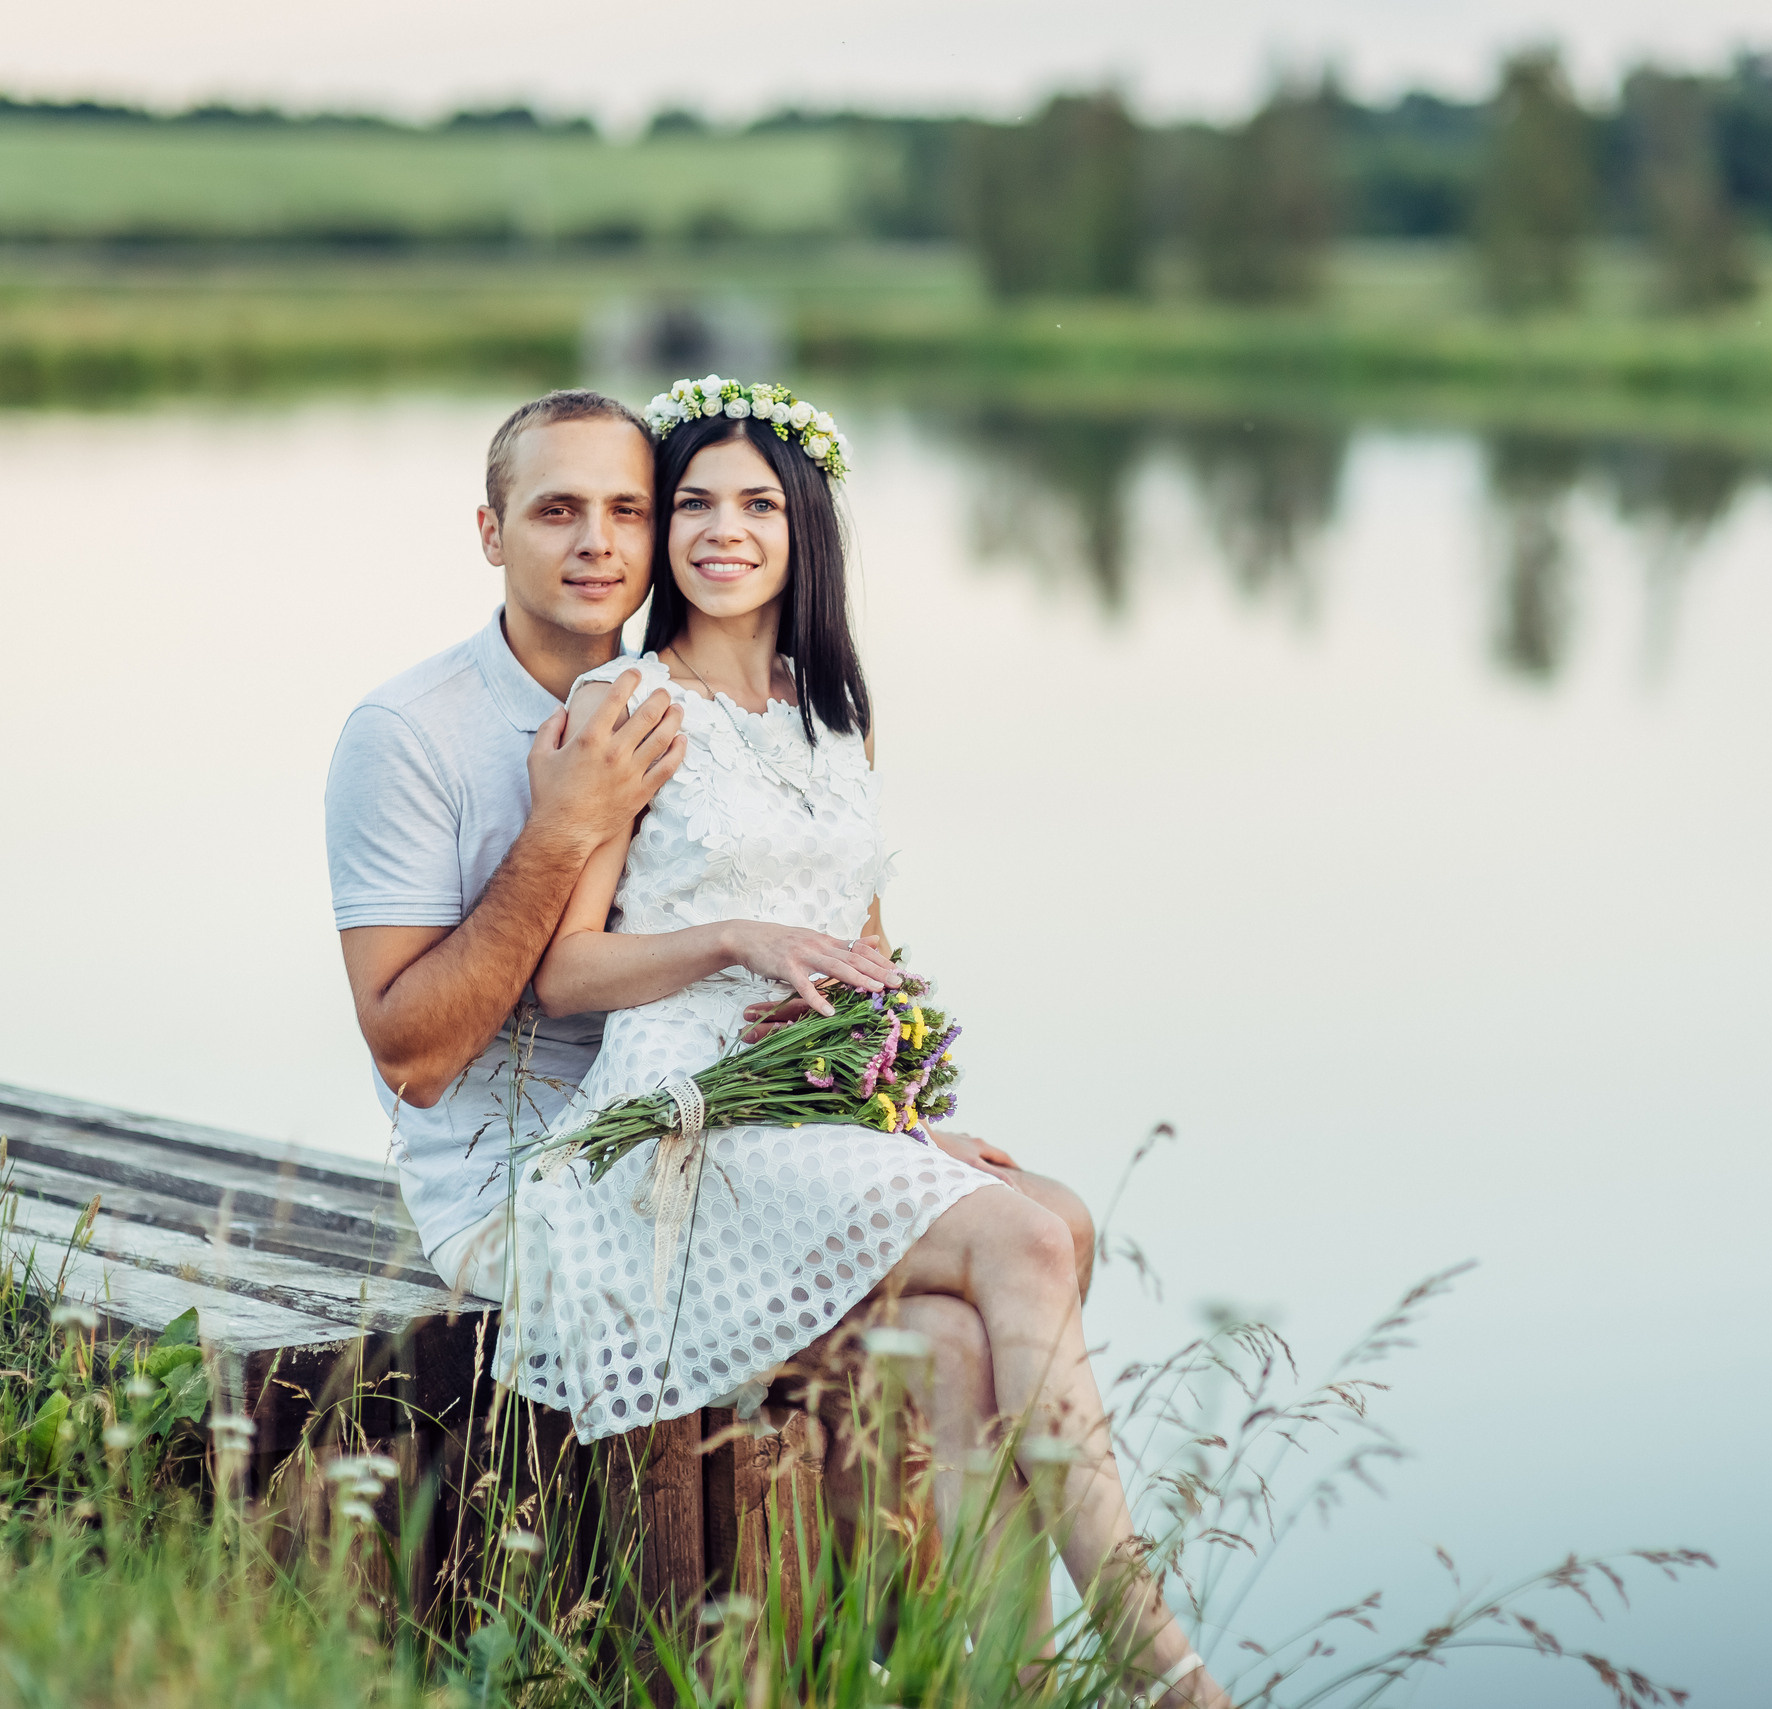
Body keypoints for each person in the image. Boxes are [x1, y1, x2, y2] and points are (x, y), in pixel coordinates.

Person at [495, 376, 1223, 1708]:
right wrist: (733, 937)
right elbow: (561, 972)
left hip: (811, 1119)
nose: (723, 530)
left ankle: (996, 1678)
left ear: (802, 528)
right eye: (694, 503)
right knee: (1028, 1235)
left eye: (757, 504)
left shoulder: (833, 710)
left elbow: (867, 960)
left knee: (1031, 1247)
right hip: (685, 1124)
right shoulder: (627, 706)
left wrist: (904, 1118)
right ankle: (1153, 1657)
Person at [321, 389, 1095, 1509]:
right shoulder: (410, 734)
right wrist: (564, 824)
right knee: (1018, 1248)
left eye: (629, 509)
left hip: (736, 1126)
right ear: (490, 533)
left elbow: (812, 939)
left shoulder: (734, 708)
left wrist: (898, 1119)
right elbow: (413, 1057)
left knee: (965, 1326)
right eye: (556, 512)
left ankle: (970, 1673)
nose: (598, 543)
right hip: (545, 1177)